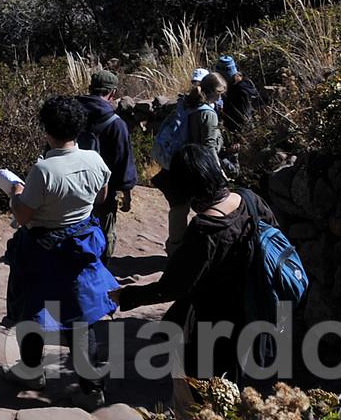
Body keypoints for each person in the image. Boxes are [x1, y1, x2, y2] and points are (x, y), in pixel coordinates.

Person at [115, 144, 278, 413]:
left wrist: (127, 295)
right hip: (257, 309)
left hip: (214, 323)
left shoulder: (205, 230)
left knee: (198, 397)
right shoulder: (250, 199)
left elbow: (172, 287)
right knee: (239, 386)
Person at [2, 95, 118, 407]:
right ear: (79, 127)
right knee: (82, 317)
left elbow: (24, 216)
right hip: (81, 246)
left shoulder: (44, 170)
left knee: (33, 308)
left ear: (46, 130)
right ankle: (92, 389)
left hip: (43, 249)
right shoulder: (95, 160)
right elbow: (102, 196)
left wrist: (15, 191)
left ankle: (30, 371)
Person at [160, 72, 226, 253]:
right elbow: (209, 146)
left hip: (178, 164)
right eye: (219, 93)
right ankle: (202, 250)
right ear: (212, 91)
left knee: (178, 210)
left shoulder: (186, 103)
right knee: (210, 208)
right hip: (198, 166)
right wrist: (218, 172)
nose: (220, 97)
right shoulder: (208, 114)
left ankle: (174, 250)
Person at [77, 70, 138, 257]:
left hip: (71, 185)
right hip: (103, 191)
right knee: (104, 233)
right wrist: (127, 195)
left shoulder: (72, 113)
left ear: (89, 88)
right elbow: (123, 162)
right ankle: (101, 269)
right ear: (113, 93)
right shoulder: (116, 123)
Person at [216, 56, 260, 135]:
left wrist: (239, 136)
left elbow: (243, 116)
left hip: (239, 131)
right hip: (238, 128)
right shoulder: (243, 82)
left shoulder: (240, 91)